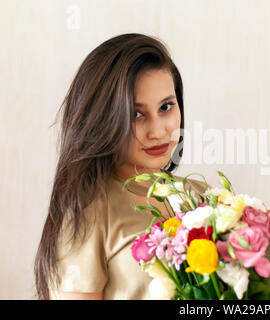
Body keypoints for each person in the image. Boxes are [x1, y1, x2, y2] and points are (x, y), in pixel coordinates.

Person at [33, 33, 211, 300]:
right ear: (102, 118)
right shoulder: (89, 211)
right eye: (136, 114)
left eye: (166, 107)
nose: (158, 131)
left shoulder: (201, 196)